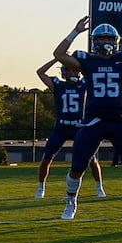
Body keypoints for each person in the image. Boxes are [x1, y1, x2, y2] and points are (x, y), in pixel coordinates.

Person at [52, 15, 122, 221]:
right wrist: (75, 31)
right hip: (93, 121)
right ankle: (70, 202)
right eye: (102, 39)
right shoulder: (87, 61)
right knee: (77, 167)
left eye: (110, 39)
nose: (106, 43)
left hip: (118, 119)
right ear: (95, 42)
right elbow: (58, 54)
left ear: (116, 42)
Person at [34, 57, 105, 199]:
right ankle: (41, 187)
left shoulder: (84, 84)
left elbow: (94, 74)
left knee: (91, 158)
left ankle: (99, 187)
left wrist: (81, 64)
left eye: (74, 70)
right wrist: (56, 59)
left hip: (80, 126)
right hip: (61, 126)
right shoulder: (57, 85)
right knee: (47, 157)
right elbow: (40, 72)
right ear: (63, 72)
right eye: (68, 70)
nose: (71, 72)